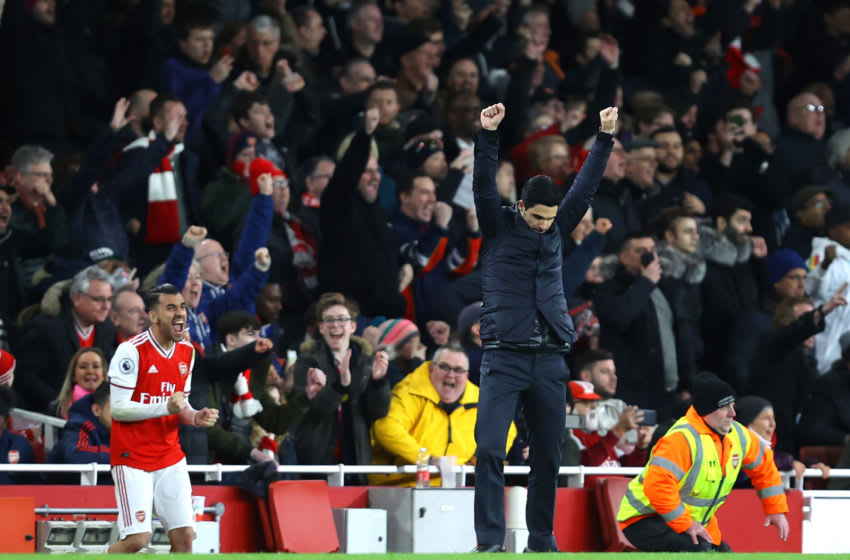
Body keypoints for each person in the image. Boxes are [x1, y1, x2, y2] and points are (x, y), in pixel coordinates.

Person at [471, 103, 616, 553]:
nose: (543, 227)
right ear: (519, 207)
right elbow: (481, 184)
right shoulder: (496, 225)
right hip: (504, 355)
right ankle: (491, 542)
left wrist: (604, 138)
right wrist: (488, 135)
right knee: (492, 449)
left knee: (550, 457)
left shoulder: (557, 227)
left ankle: (541, 540)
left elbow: (586, 188)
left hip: (551, 358)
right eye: (536, 218)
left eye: (549, 220)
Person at [617, 372, 790, 552]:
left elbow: (765, 468)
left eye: (733, 405)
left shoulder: (739, 435)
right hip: (644, 518)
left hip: (690, 521)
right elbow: (658, 486)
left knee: (723, 555)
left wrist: (775, 510)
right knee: (699, 552)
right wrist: (687, 524)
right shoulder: (681, 438)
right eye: (725, 407)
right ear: (707, 410)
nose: (733, 413)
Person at [106, 284, 219, 553]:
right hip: (132, 458)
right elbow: (119, 409)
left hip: (170, 456)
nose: (180, 312)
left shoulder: (187, 352)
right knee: (137, 540)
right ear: (154, 317)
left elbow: (180, 405)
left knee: (185, 536)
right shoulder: (130, 351)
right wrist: (165, 407)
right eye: (171, 307)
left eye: (182, 306)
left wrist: (195, 417)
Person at [371, 341, 516, 486]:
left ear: (466, 375)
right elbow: (386, 428)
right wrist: (427, 460)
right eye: (444, 367)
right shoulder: (409, 391)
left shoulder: (479, 399)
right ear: (432, 368)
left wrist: (482, 457)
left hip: (456, 486)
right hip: (400, 485)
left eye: (458, 370)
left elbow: (506, 429)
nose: (451, 375)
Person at [48, 381, 111, 465]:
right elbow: (74, 454)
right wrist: (124, 455)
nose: (122, 415)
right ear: (96, 410)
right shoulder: (80, 424)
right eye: (116, 408)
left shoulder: (130, 426)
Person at [50, 347, 107, 419]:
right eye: (83, 367)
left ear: (104, 375)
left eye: (96, 366)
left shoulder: (116, 408)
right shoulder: (56, 408)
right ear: (73, 375)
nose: (90, 371)